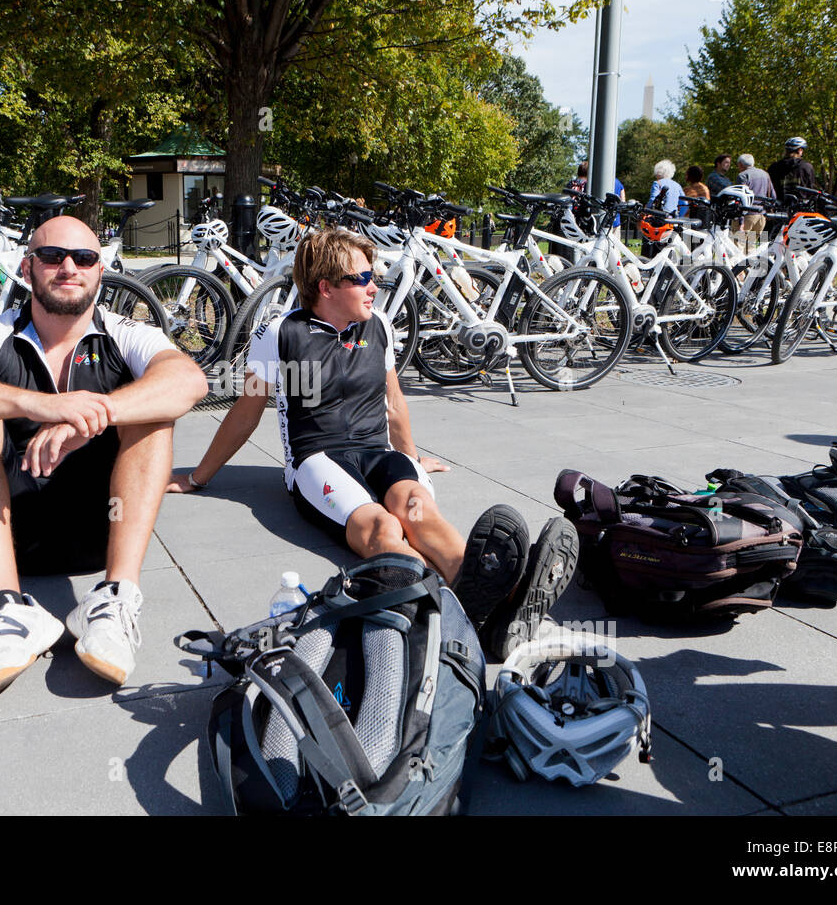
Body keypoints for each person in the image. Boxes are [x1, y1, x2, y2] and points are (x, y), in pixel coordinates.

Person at [167, 228, 577, 659]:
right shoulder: (281, 333)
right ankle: (458, 614)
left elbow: (394, 404)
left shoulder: (378, 326)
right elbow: (246, 412)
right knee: (384, 527)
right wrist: (197, 477)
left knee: (417, 508)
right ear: (325, 287)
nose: (373, 286)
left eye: (372, 276)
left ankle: (499, 601)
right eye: (361, 278)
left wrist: (413, 458)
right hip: (318, 459)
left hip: (378, 453)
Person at [0, 215, 208, 702]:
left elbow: (189, 381)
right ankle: (6, 610)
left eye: (84, 258)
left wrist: (90, 417)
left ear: (99, 272)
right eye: (52, 256)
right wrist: (41, 405)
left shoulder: (126, 332)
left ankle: (113, 600)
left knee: (155, 410)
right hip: (13, 536)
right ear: (27, 268)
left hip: (104, 531)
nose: (69, 267)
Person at [644, 160, 683, 258]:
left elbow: (653, 200)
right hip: (673, 220)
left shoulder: (657, 183)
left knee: (653, 247)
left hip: (659, 220)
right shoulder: (677, 185)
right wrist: (679, 217)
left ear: (658, 172)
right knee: (669, 248)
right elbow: (684, 203)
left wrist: (644, 211)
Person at [735, 154, 773, 251]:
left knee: (738, 246)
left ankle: (738, 266)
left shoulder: (743, 176)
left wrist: (740, 221)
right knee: (751, 247)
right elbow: (773, 196)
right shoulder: (765, 174)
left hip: (747, 215)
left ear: (740, 164)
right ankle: (750, 266)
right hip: (761, 217)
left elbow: (740, 198)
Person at [767, 136, 818, 202]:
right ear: (799, 150)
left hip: (779, 207)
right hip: (802, 207)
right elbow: (812, 189)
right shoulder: (806, 167)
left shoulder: (774, 167)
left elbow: (769, 188)